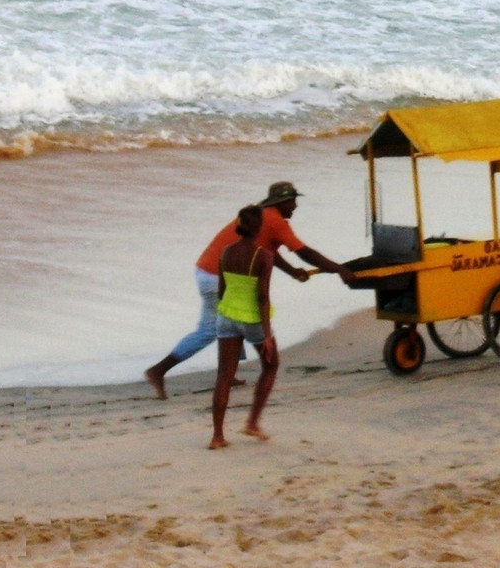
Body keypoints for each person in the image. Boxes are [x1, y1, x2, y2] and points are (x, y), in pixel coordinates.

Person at [144, 180, 355, 398]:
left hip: (210, 271)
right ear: (282, 202)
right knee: (212, 329)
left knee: (238, 317)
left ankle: (228, 373)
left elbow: (268, 250)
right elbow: (304, 252)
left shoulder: (259, 215)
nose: (295, 206)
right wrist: (339, 269)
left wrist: (292, 271)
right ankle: (158, 370)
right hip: (217, 276)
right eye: (292, 201)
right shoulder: (275, 221)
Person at [210, 207, 277, 447]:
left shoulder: (226, 252)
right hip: (252, 319)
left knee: (224, 377)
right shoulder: (264, 255)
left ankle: (217, 436)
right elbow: (262, 297)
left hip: (226, 315)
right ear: (258, 227)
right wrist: (266, 335)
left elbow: (221, 291)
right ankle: (252, 423)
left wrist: (229, 317)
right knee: (271, 365)